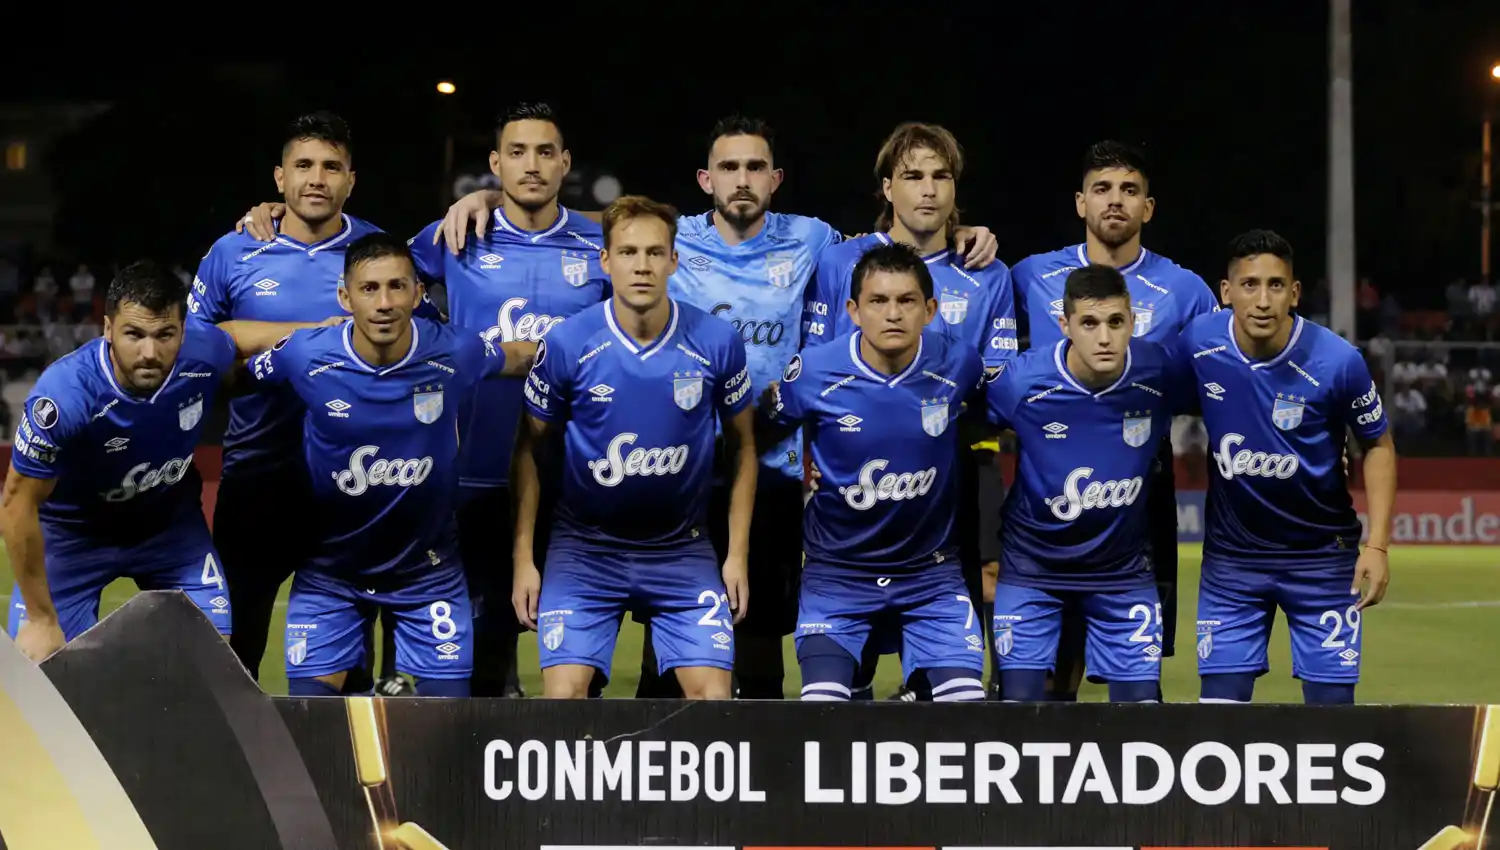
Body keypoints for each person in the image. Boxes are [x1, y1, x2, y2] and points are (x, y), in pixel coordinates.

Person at [439, 115, 1000, 699]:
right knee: (662, 664)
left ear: (775, 178)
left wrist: (961, 234)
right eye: (729, 167)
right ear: (706, 179)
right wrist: (489, 195)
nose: (742, 179)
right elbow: (615, 230)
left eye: (755, 167)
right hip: (687, 473)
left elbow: (893, 256)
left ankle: (758, 770)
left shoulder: (814, 242)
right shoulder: (675, 239)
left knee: (759, 639)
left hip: (773, 472)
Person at [243, 233, 537, 697]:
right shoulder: (306, 353)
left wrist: (596, 352)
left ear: (418, 293)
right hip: (330, 575)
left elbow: (519, 355)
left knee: (446, 732)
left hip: (429, 573)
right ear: (345, 297)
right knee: (312, 725)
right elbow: (232, 366)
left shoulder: (455, 351)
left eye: (397, 287)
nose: (384, 302)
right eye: (369, 289)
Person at [2, 261, 325, 661]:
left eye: (165, 334)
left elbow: (235, 337)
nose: (150, 352)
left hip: (168, 529)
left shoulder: (200, 350)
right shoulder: (66, 394)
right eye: (134, 334)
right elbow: (16, 502)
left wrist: (327, 330)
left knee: (215, 662)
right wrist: (39, 618)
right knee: (42, 670)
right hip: (72, 537)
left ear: (183, 331)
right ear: (107, 329)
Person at [803, 121, 1017, 700]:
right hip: (855, 464)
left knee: (963, 601)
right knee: (853, 653)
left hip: (959, 462)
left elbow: (998, 380)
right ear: (886, 188)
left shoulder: (988, 271)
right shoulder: (840, 261)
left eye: (940, 176)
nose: (928, 190)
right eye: (912, 176)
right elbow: (817, 365)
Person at [511, 195, 756, 700]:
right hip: (584, 550)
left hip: (681, 550)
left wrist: (735, 557)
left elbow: (744, 449)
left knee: (716, 703)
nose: (641, 266)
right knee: (562, 703)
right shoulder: (568, 342)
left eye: (653, 253)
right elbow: (530, 449)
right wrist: (523, 559)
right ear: (606, 261)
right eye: (627, 253)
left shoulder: (717, 341)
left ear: (673, 260)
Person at [207, 111, 417, 693]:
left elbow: (409, 356)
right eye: (303, 165)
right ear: (279, 179)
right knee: (236, 642)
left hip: (353, 481)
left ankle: (352, 781)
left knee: (349, 658)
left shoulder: (379, 254)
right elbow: (198, 358)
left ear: (351, 179)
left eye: (331, 166)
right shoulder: (234, 251)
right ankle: (235, 776)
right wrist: (313, 340)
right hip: (256, 475)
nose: (316, 178)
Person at [1010, 140, 1219, 701]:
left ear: (1148, 208)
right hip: (1047, 497)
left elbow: (1227, 381)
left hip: (1140, 497)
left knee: (1134, 680)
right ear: (1080, 202)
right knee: (1047, 677)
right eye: (1102, 189)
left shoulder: (1186, 290)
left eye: (1130, 190)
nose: (1115, 201)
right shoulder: (1031, 276)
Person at [1178, 229, 1394, 705]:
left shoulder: (1339, 361)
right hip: (1231, 562)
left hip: (1322, 559)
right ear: (1226, 292)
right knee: (1218, 717)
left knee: (1333, 722)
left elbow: (1377, 443)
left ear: (1294, 293)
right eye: (1249, 285)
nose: (1262, 300)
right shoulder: (1197, 344)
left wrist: (1377, 544)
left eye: (1276, 285)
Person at [767, 241, 988, 703]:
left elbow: (991, 422)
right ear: (853, 309)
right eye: (878, 301)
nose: (893, 313)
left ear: (930, 309)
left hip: (931, 576)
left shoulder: (959, 364)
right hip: (837, 577)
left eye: (906, 301)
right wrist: (797, 471)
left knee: (968, 715)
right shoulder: (812, 372)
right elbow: (762, 433)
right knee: (823, 718)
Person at [984, 264, 1180, 702]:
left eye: (1115, 322)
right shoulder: (1022, 381)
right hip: (1033, 569)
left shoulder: (1160, 373)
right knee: (1019, 715)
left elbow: (1236, 402)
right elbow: (957, 428)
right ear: (1065, 325)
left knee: (1142, 719)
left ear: (1132, 321)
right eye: (1089, 323)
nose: (1105, 337)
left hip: (1122, 572)